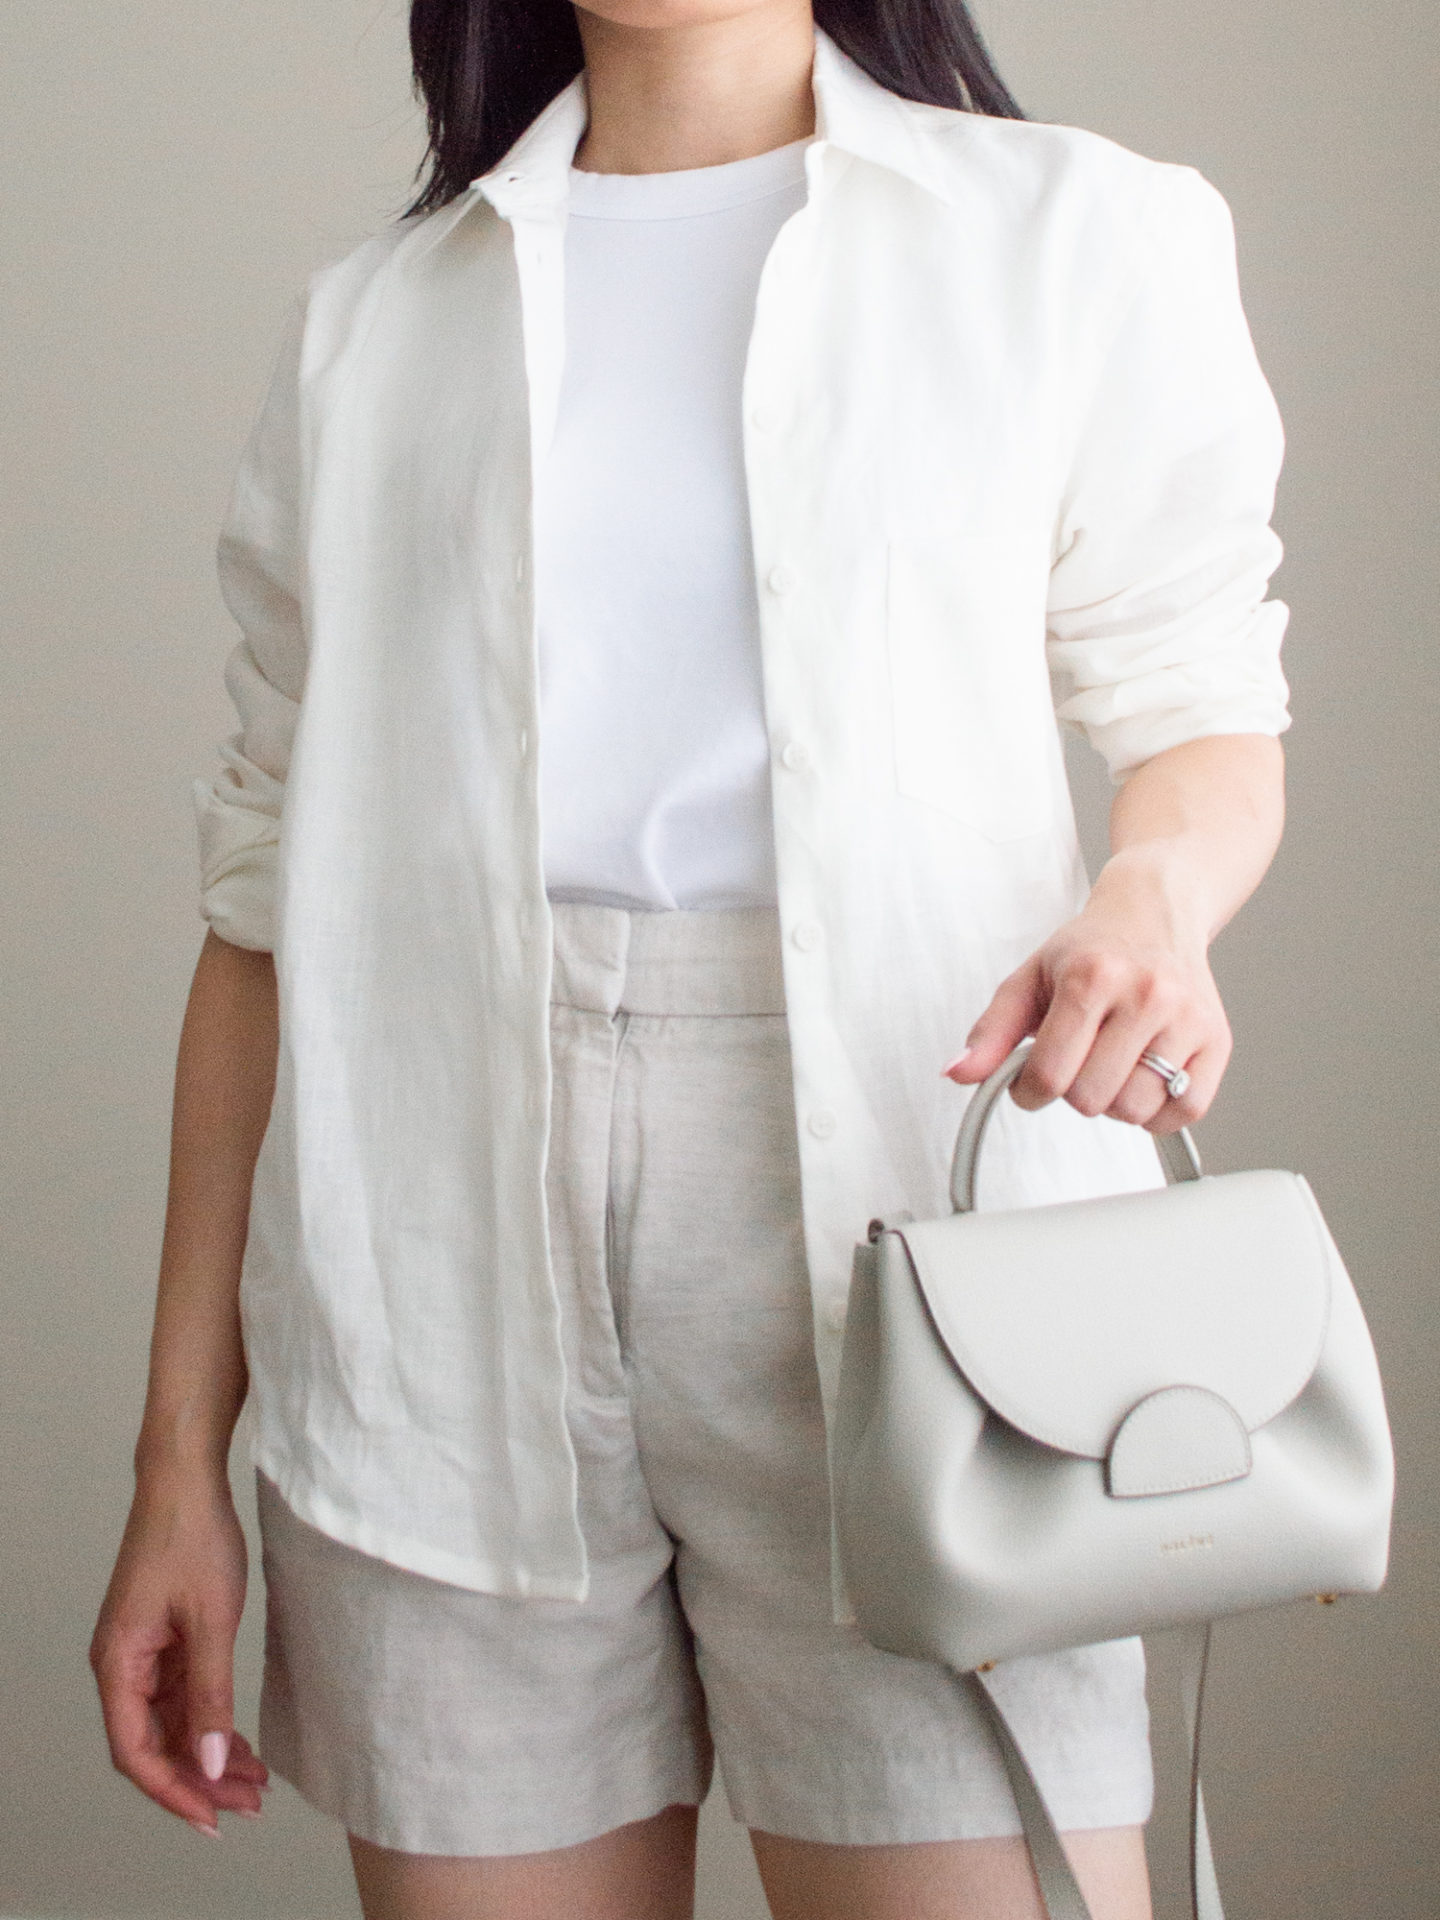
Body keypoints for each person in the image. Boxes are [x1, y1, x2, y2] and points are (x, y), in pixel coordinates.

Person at [88, 1, 1291, 1915]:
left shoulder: (1068, 234)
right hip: (431, 1269)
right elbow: (258, 920)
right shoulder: (374, 327)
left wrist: (1152, 899)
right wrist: (176, 1462)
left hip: (912, 1231)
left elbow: (1204, 711)